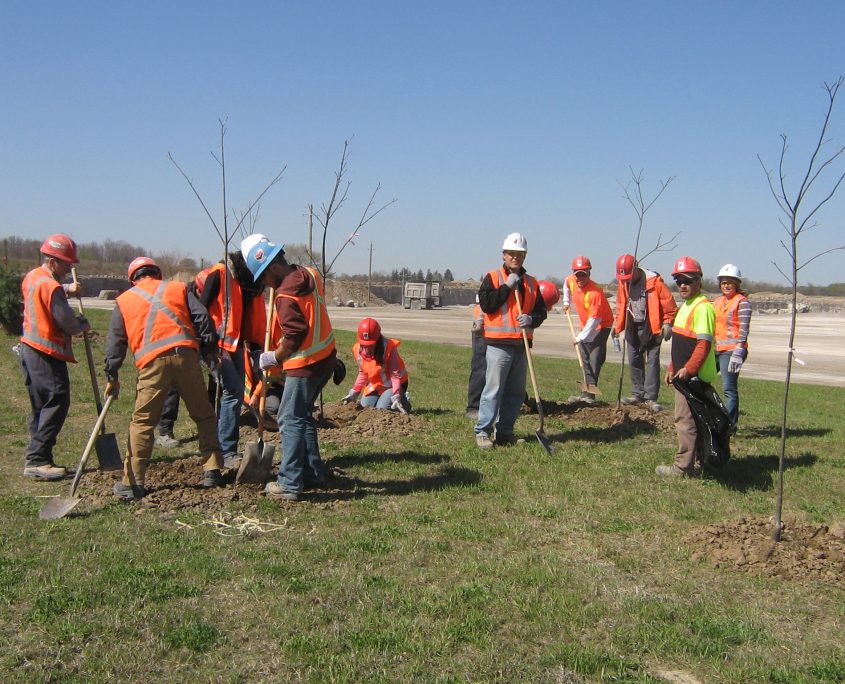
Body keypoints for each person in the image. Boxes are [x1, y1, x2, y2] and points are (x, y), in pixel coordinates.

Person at [104, 257, 225, 500]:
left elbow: (115, 342)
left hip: (152, 363)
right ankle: (212, 468)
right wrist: (209, 348)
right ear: (156, 274)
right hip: (186, 357)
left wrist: (112, 374)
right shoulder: (177, 288)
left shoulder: (124, 300)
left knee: (143, 423)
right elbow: (202, 316)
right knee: (203, 414)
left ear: (133, 279)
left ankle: (133, 482)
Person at [242, 234, 338, 501]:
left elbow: (294, 335)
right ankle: (312, 472)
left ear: (273, 267)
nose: (263, 284)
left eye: (263, 278)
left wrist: (273, 357)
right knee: (302, 415)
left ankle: (290, 482)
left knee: (289, 418)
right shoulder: (309, 273)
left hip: (306, 363)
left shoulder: (285, 294)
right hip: (326, 357)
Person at [18, 234, 90, 480]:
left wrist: (67, 289)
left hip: (29, 349)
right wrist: (83, 324)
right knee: (57, 400)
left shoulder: (33, 277)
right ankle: (38, 459)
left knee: (41, 405)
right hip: (45, 352)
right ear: (52, 263)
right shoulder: (50, 286)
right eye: (67, 264)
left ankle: (37, 453)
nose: (70, 268)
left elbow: (48, 293)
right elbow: (68, 323)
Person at [474, 232, 547, 449]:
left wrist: (531, 319)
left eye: (519, 254)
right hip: (498, 344)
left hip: (521, 344)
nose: (515, 257)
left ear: (524, 256)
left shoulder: (532, 283)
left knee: (515, 392)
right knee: (493, 390)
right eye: (511, 253)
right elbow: (487, 304)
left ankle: (505, 432)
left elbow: (542, 311)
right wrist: (506, 287)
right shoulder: (493, 277)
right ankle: (483, 432)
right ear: (504, 255)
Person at [195, 251, 267, 467]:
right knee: (233, 390)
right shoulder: (218, 275)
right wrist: (206, 343)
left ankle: (223, 447)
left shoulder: (243, 283)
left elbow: (244, 316)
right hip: (215, 344)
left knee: (233, 392)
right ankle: (226, 451)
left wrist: (254, 351)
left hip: (234, 344)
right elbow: (200, 310)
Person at [655, 256, 718, 477]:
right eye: (678, 280)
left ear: (699, 281)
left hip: (693, 377)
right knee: (697, 419)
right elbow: (681, 344)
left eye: (688, 280)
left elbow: (703, 344)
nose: (682, 285)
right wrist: (672, 367)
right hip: (683, 373)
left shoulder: (703, 308)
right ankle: (702, 461)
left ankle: (683, 467)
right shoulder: (686, 306)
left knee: (685, 419)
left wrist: (688, 370)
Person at [466, 280, 557, 420]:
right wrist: (479, 319)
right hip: (484, 327)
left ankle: (517, 401)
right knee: (482, 367)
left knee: (511, 371)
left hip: (509, 338)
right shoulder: (504, 283)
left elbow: (535, 314)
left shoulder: (529, 292)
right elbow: (488, 304)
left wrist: (531, 319)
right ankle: (474, 407)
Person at [613, 254, 678, 412]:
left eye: (629, 276)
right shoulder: (624, 283)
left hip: (652, 326)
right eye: (623, 277)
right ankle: (637, 393)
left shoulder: (654, 281)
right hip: (632, 326)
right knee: (634, 359)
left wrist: (668, 323)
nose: (626, 280)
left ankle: (650, 398)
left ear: (636, 267)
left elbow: (669, 304)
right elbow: (621, 305)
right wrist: (617, 326)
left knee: (652, 361)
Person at [562, 256, 613, 403]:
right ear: (574, 274)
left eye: (583, 274)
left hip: (602, 324)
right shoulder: (571, 280)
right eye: (577, 274)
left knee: (594, 357)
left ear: (589, 273)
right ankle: (586, 392)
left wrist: (580, 338)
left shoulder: (595, 292)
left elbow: (595, 319)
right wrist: (566, 301)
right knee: (584, 357)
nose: (580, 278)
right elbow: (566, 284)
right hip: (586, 325)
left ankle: (589, 394)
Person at [714, 264, 752, 432]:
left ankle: (730, 425)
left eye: (730, 282)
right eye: (723, 283)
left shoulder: (742, 302)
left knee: (729, 388)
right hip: (715, 350)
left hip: (732, 351)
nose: (726, 285)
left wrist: (739, 351)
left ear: (737, 284)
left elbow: (744, 329)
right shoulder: (718, 301)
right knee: (699, 380)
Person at [343, 317, 411, 411]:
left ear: (377, 339)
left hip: (394, 385)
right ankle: (385, 398)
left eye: (371, 345)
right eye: (364, 345)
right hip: (376, 385)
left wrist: (396, 395)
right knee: (366, 409)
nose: (367, 349)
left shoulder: (388, 347)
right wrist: (355, 391)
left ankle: (404, 401)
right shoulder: (357, 350)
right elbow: (363, 372)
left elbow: (395, 375)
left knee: (382, 409)